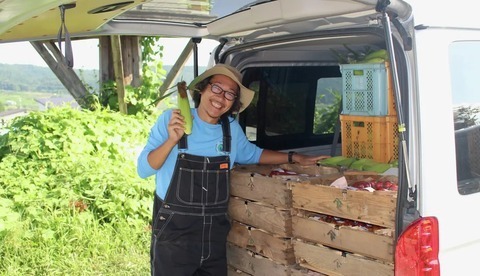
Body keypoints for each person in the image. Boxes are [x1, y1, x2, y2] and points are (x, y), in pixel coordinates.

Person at [137, 63, 328, 276]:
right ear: (203, 89)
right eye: (216, 88)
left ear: (234, 102)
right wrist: (172, 140)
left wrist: (294, 157)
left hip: (214, 239)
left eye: (230, 94)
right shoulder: (172, 120)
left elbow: (254, 154)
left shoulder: (231, 130)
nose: (221, 98)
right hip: (174, 237)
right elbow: (143, 169)